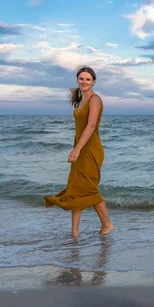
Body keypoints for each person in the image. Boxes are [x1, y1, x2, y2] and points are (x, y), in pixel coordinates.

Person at [44, 66, 114, 238]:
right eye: (81, 79)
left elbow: (91, 126)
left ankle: (107, 224)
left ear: (94, 82)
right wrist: (77, 147)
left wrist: (77, 148)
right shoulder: (81, 100)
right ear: (77, 80)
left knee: (89, 188)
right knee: (76, 188)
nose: (84, 82)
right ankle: (74, 232)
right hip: (81, 146)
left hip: (90, 148)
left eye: (88, 79)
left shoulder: (95, 100)